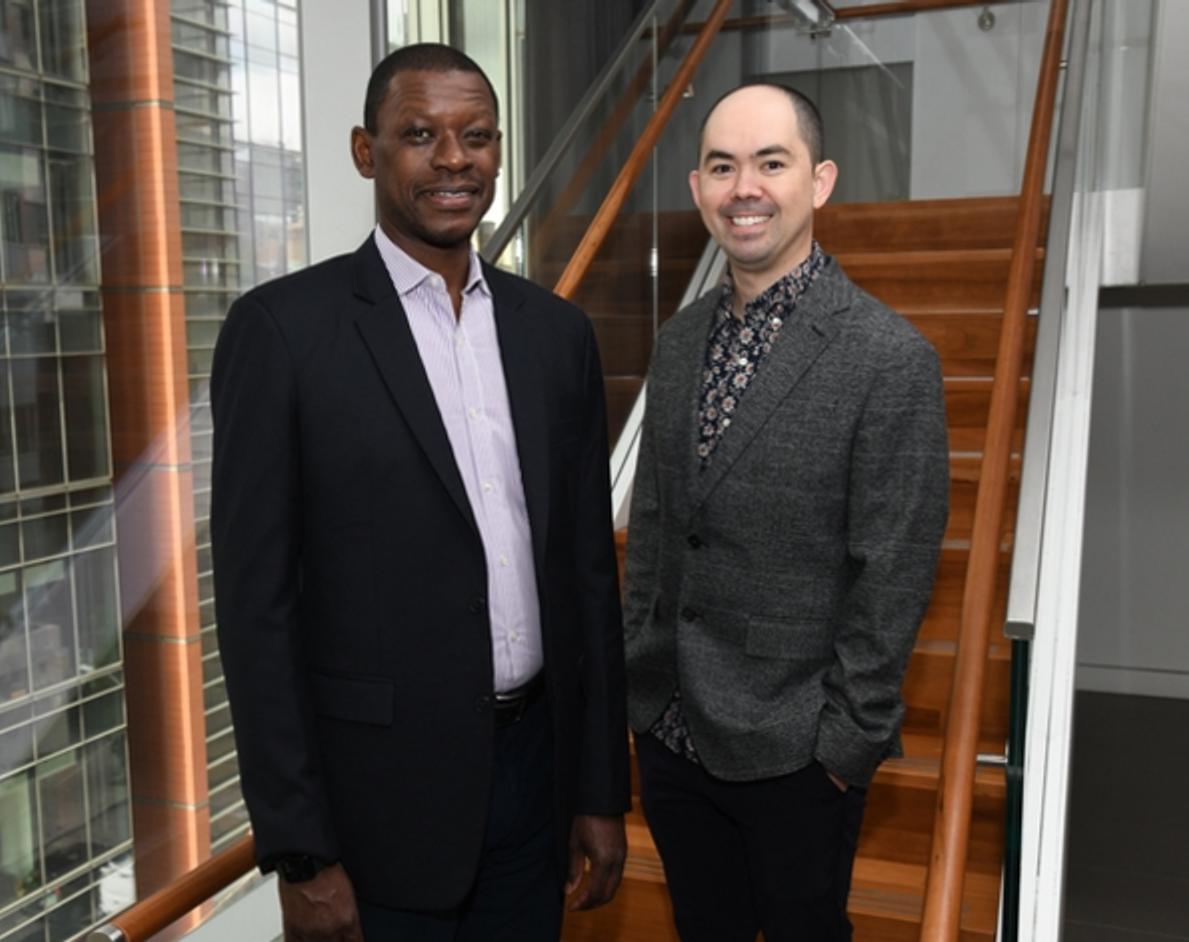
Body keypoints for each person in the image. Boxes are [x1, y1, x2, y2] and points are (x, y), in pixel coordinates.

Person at [209, 43, 629, 942]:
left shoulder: (557, 335)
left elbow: (589, 578)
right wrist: (299, 850)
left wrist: (598, 790)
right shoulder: (282, 334)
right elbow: (256, 613)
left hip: (536, 786)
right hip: (376, 821)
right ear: (367, 151)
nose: (452, 159)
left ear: (499, 150)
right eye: (419, 135)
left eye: (474, 135)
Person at [623, 83, 950, 941]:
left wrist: (844, 750)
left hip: (797, 755)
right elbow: (656, 528)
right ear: (696, 187)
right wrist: (640, 686)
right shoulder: (679, 341)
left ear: (821, 181)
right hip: (671, 734)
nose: (745, 187)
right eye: (723, 166)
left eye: (773, 162)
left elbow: (894, 574)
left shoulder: (889, 359)